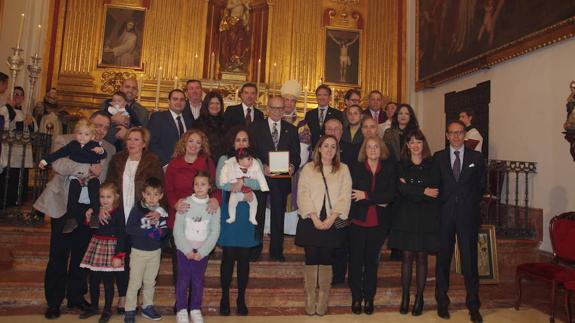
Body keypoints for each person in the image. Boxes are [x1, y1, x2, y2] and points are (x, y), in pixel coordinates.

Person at [36, 111, 115, 320]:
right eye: (98, 125)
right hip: (63, 206)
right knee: (58, 255)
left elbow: (105, 179)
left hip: (88, 209)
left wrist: (99, 205)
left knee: (81, 256)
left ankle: (75, 297)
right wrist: (87, 168)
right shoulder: (66, 140)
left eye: (106, 127)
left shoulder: (108, 148)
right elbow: (59, 165)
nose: (101, 130)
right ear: (89, 123)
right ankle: (54, 302)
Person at [105, 127, 164, 314]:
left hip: (142, 215)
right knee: (122, 253)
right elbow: (110, 185)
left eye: (137, 139)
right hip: (121, 214)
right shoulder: (117, 159)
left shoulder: (152, 161)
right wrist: (105, 206)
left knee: (139, 258)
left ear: (144, 143)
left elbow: (159, 187)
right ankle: (124, 296)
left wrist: (159, 211)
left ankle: (140, 298)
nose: (132, 143)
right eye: (129, 139)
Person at [434, 120, 486, 323]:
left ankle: (473, 306)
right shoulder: (438, 157)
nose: (456, 136)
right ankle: (442, 303)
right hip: (444, 217)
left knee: (470, 262)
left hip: (467, 217)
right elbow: (435, 184)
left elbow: (481, 185)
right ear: (447, 136)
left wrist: (468, 202)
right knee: (443, 261)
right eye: (452, 133)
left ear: (465, 134)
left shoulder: (476, 157)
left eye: (459, 133)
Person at [296, 135, 352, 316]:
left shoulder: (343, 169)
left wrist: (331, 218)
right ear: (319, 149)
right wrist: (314, 217)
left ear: (337, 150)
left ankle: (323, 300)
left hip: (332, 220)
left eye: (333, 147)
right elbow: (302, 193)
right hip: (310, 219)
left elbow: (345, 195)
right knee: (311, 257)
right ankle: (310, 298)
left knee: (327, 259)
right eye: (325, 146)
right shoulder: (308, 168)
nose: (329, 150)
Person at [388, 129, 440, 316]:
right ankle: (405, 297)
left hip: (426, 217)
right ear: (407, 146)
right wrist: (422, 191)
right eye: (412, 142)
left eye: (419, 142)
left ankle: (419, 298)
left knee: (422, 258)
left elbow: (435, 190)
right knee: (407, 258)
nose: (415, 145)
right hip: (405, 217)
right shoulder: (400, 164)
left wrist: (412, 189)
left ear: (423, 144)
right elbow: (400, 189)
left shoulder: (433, 164)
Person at [216, 126, 265, 316]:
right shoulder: (224, 160)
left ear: (249, 143)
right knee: (228, 258)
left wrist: (241, 182)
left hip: (248, 213)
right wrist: (236, 183)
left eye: (244, 140)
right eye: (238, 140)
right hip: (230, 213)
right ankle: (225, 297)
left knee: (244, 259)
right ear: (232, 142)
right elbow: (220, 183)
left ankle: (241, 298)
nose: (241, 143)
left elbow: (259, 183)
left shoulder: (256, 161)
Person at [348, 135, 396, 315]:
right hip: (358, 222)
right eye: (369, 147)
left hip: (379, 223)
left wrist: (367, 196)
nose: (373, 150)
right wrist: (377, 198)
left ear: (381, 149)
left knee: (371, 262)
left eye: (376, 146)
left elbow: (390, 196)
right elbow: (354, 196)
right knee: (355, 261)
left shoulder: (388, 169)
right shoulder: (356, 168)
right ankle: (356, 297)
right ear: (364, 150)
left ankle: (369, 297)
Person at [250, 96, 301, 261]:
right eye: (274, 108)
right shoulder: (255, 127)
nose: (277, 111)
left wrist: (292, 165)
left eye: (281, 108)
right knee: (258, 215)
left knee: (278, 216)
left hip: (281, 179)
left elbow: (296, 155)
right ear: (268, 108)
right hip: (260, 177)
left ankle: (276, 251)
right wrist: (261, 166)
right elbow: (251, 152)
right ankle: (255, 249)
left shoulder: (291, 129)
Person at [39, 118, 107, 233]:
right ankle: (71, 218)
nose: (82, 137)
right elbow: (59, 153)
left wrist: (100, 151)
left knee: (94, 187)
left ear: (92, 136)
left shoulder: (94, 145)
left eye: (86, 134)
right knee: (73, 190)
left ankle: (95, 215)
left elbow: (104, 153)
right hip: (77, 176)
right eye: (80, 133)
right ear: (76, 133)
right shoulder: (72, 145)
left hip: (91, 175)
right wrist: (45, 161)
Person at [173, 172, 221, 323]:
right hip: (184, 250)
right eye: (196, 184)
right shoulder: (185, 203)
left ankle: (195, 309)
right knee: (183, 280)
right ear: (192, 186)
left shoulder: (213, 206)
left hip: (202, 252)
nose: (199, 187)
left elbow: (215, 232)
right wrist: (186, 250)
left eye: (203, 184)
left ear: (209, 186)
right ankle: (181, 309)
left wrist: (203, 251)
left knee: (198, 281)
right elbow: (178, 229)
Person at [78, 182, 126, 323]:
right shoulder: (98, 211)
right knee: (93, 280)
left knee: (108, 282)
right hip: (97, 245)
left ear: (116, 197)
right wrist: (88, 217)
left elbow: (122, 235)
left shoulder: (118, 214)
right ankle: (93, 306)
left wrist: (118, 255)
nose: (105, 200)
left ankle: (107, 309)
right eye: (102, 197)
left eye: (108, 197)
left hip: (111, 248)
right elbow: (92, 226)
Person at [124, 177, 167, 323]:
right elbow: (129, 228)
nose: (151, 198)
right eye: (148, 194)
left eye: (155, 194)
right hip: (138, 252)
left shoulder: (161, 213)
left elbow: (164, 230)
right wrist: (147, 232)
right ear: (143, 194)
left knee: (150, 282)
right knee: (135, 282)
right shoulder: (137, 209)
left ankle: (148, 307)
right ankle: (129, 309)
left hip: (155, 253)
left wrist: (158, 233)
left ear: (161, 195)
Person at [0, 86, 38, 206]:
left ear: (23, 98)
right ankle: (6, 201)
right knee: (8, 177)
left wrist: (31, 123)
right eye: (15, 94)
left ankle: (19, 200)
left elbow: (34, 133)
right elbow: (5, 127)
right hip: (9, 151)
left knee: (20, 176)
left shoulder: (26, 114)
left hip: (22, 152)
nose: (17, 96)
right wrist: (21, 123)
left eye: (20, 94)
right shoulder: (4, 110)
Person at [219, 147, 268, 225]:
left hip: (249, 191)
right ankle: (232, 216)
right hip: (236, 191)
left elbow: (259, 176)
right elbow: (225, 174)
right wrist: (226, 181)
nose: (251, 161)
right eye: (248, 159)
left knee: (254, 202)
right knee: (232, 203)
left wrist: (264, 187)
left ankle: (252, 217)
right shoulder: (232, 166)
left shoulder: (254, 166)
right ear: (240, 160)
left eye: (252, 159)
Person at [148, 89, 194, 166]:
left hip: (187, 165)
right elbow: (152, 144)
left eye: (182, 100)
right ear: (169, 101)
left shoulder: (189, 120)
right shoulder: (158, 117)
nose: (179, 102)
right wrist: (168, 164)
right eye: (175, 99)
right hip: (164, 165)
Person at [99, 79, 149, 150]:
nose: (130, 90)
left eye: (134, 88)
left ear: (137, 92)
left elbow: (144, 135)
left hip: (128, 150)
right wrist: (112, 119)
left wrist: (127, 134)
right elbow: (95, 124)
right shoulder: (107, 104)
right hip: (105, 145)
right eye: (127, 87)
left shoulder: (143, 112)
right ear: (121, 88)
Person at [193, 91, 227, 161]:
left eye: (217, 103)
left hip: (222, 160)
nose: (215, 106)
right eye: (211, 103)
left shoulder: (226, 122)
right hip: (204, 160)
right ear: (206, 105)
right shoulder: (198, 123)